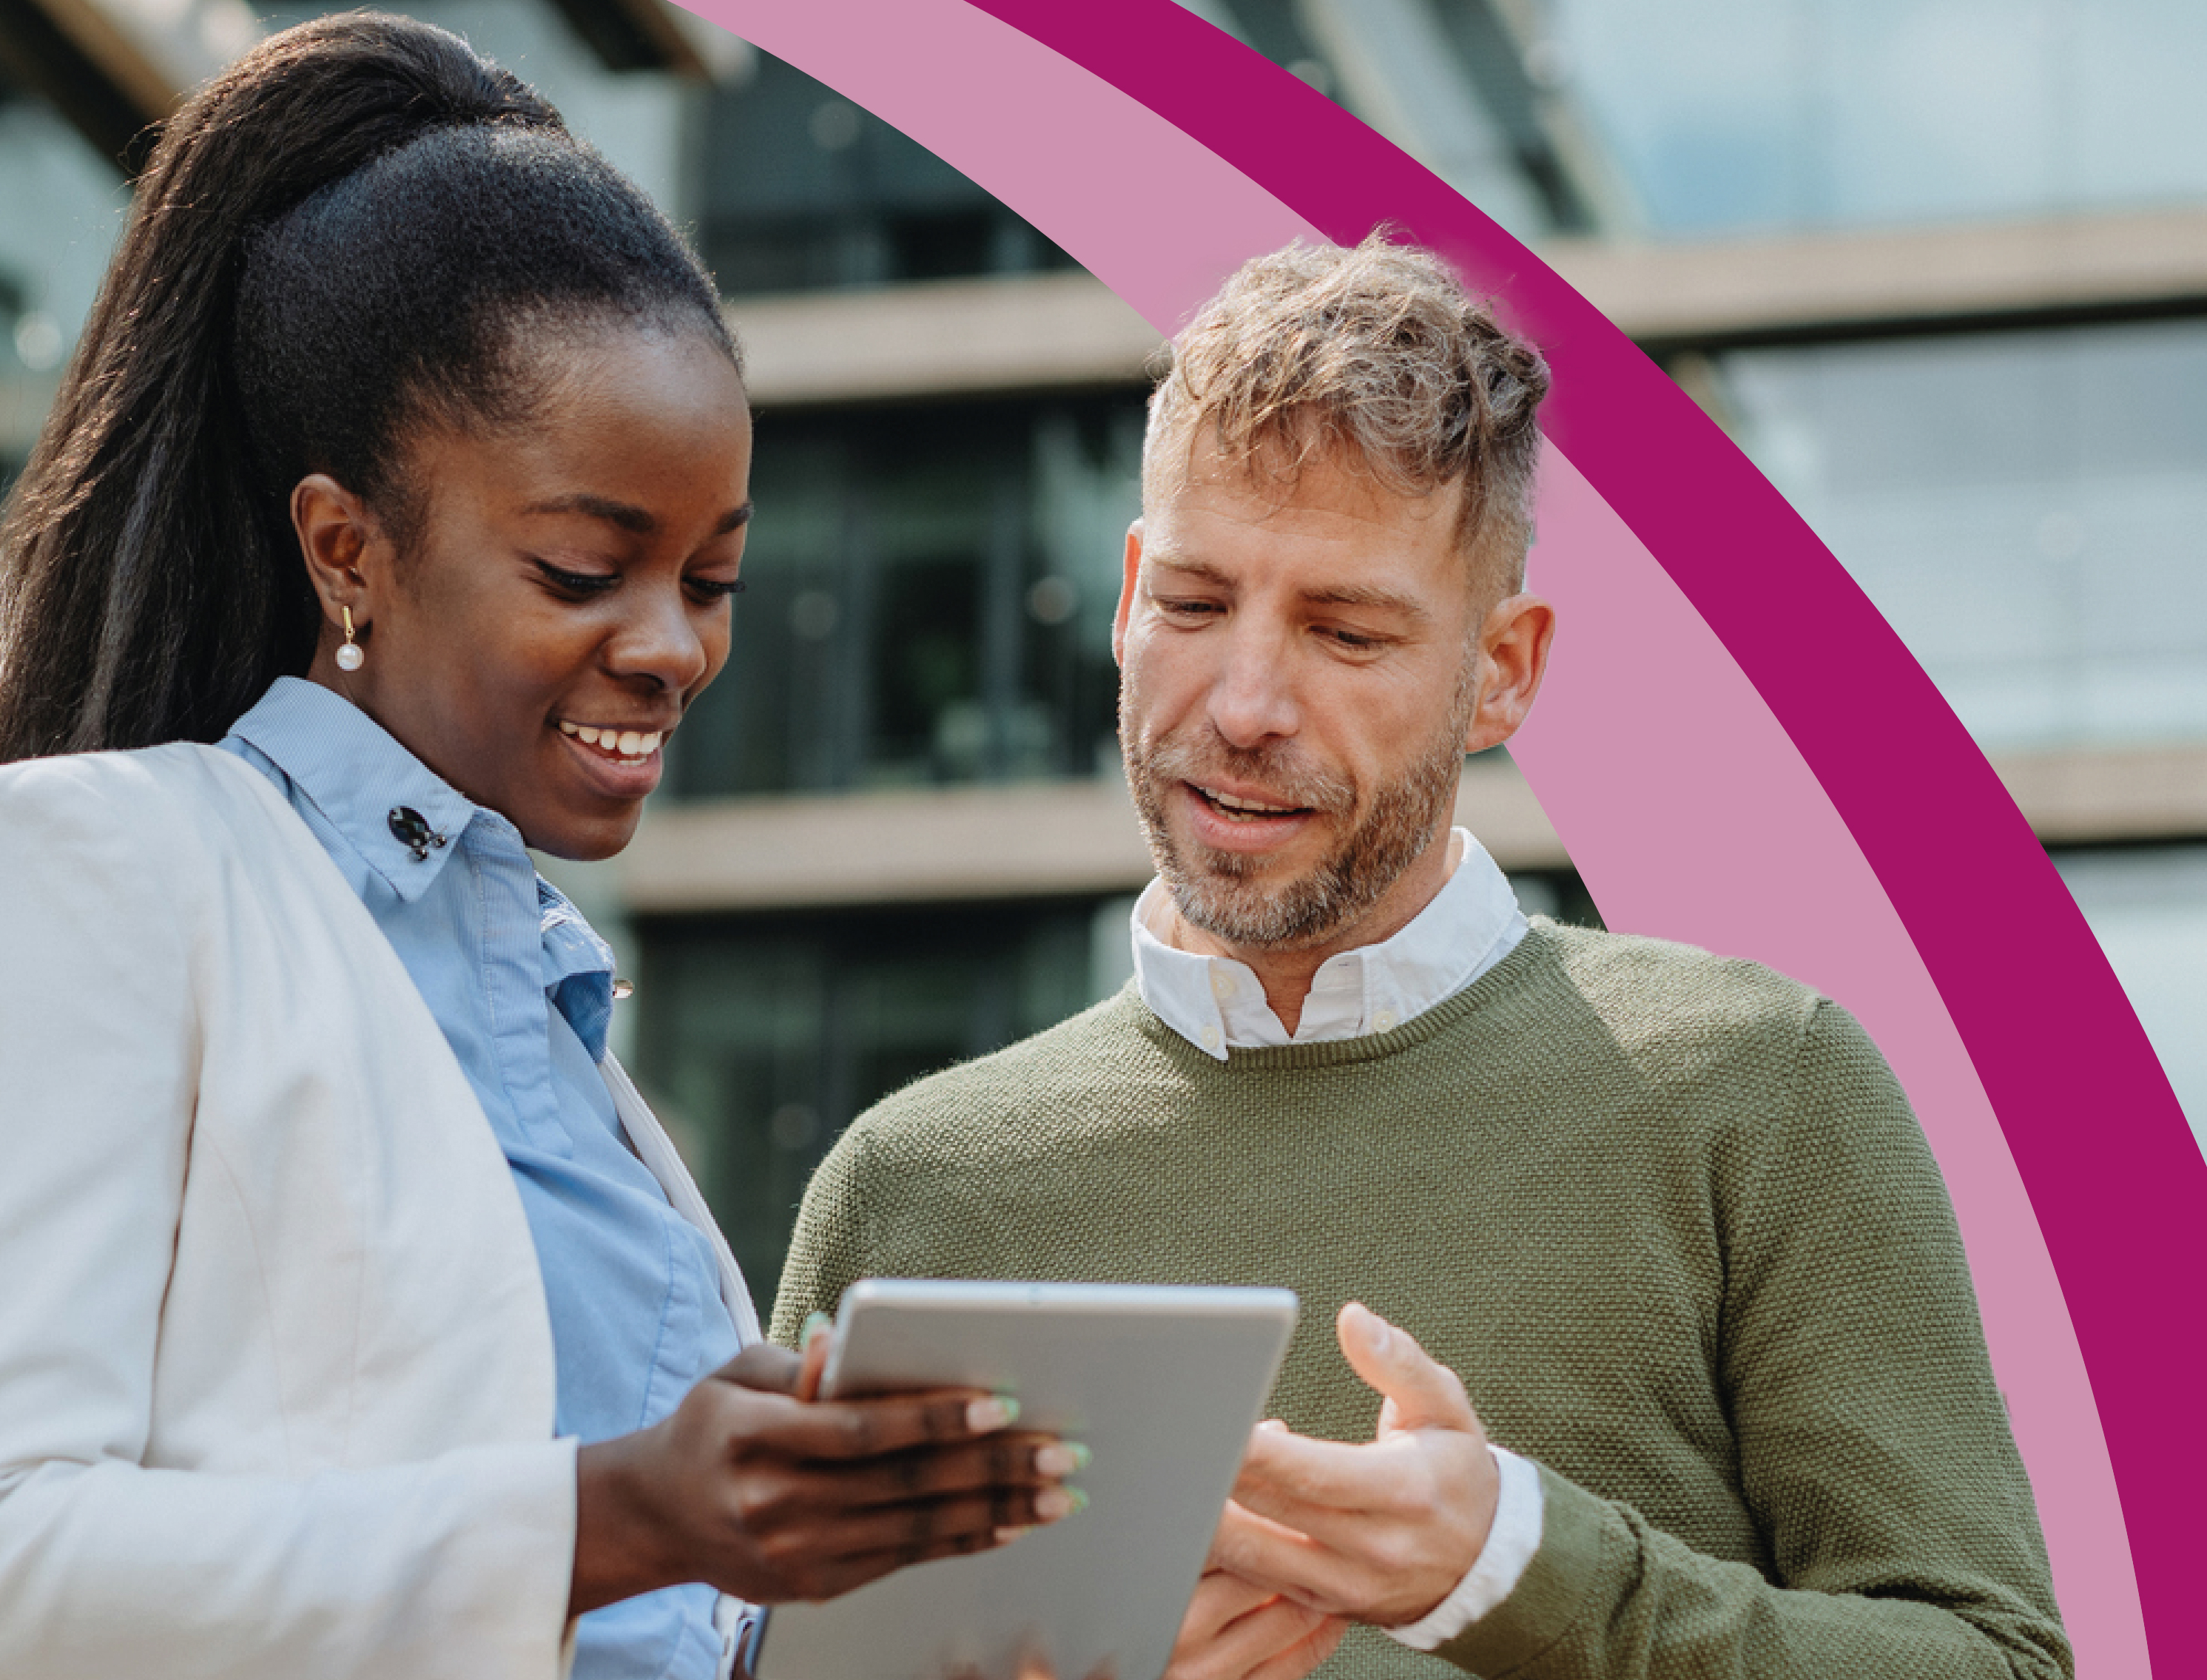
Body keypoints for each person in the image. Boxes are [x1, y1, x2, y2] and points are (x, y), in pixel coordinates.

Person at [0, 14, 1097, 1680]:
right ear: (345, 548)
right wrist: (616, 1515)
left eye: (711, 579)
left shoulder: (567, 1046)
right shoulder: (107, 870)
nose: (673, 647)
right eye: (586, 569)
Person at [770, 237, 2072, 1679]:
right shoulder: (909, 1189)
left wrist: (1515, 1566)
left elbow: (1998, 1665)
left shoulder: (1758, 1092)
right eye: (1196, 604)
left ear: (1500, 669)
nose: (1247, 701)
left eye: (1345, 630)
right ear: (1131, 592)